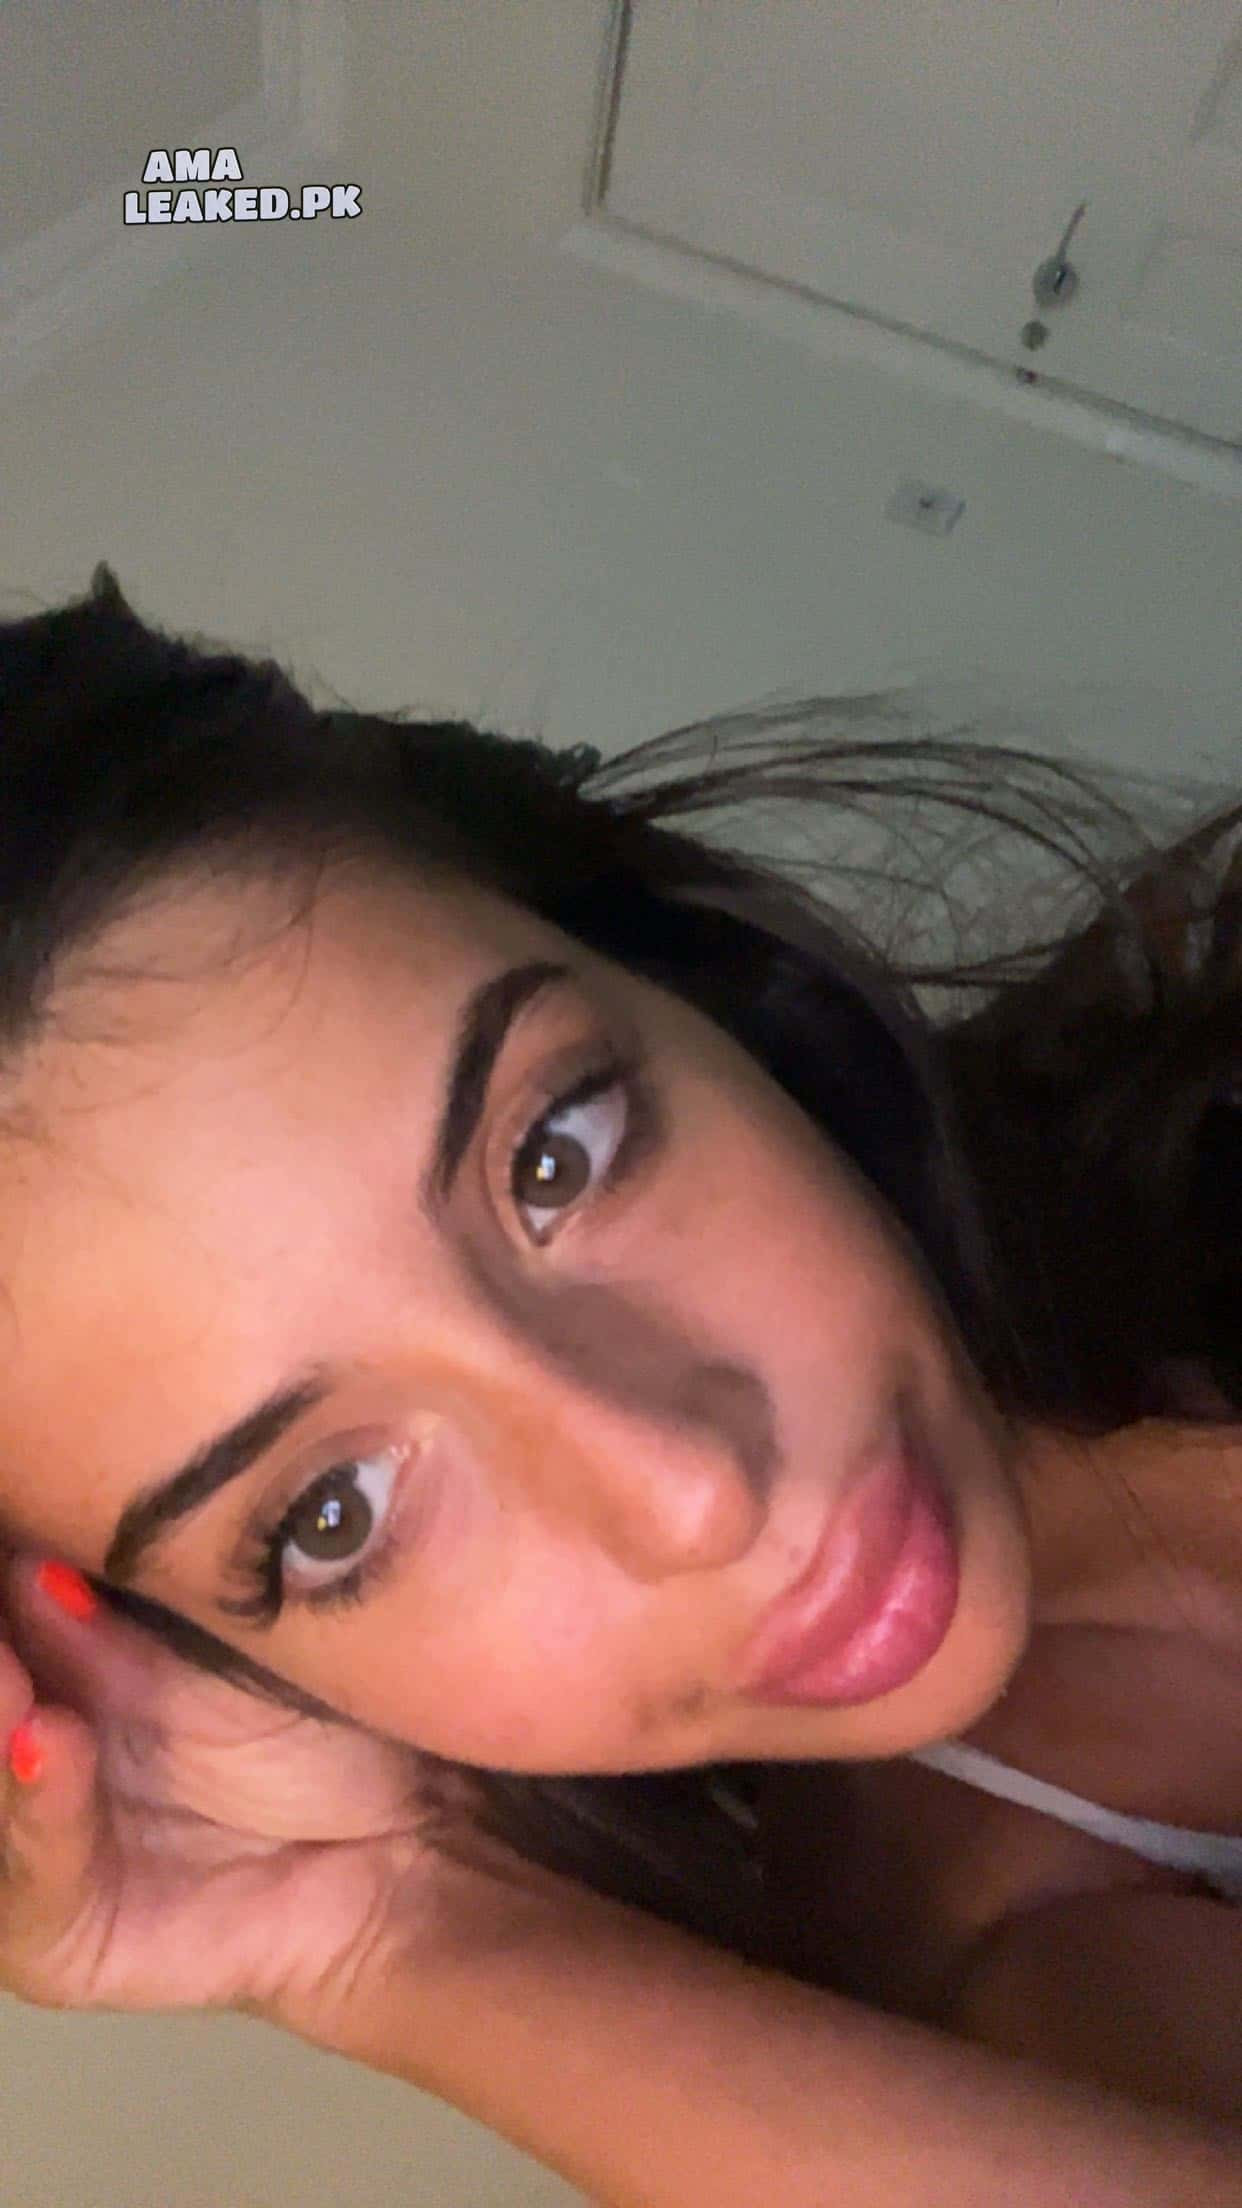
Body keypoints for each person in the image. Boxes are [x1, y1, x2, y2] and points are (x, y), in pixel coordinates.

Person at [1, 567, 1239, 2204]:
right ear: (196, 1670)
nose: (688, 1489)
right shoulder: (1020, 2016)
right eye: (333, 1512)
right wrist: (373, 1923)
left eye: (554, 1153)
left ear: (678, 980)